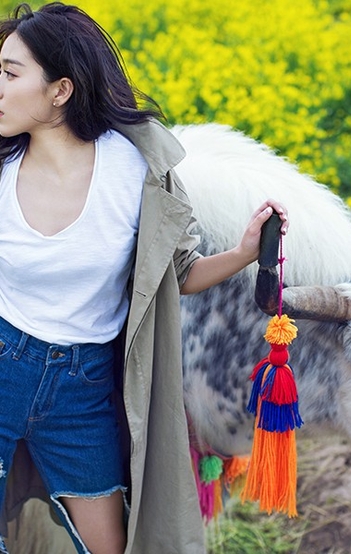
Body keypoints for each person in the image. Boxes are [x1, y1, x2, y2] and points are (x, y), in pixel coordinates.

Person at [0, 3, 289, 553]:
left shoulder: (135, 170)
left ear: (60, 90)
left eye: (10, 74)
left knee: (116, 546)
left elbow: (173, 274)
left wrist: (245, 252)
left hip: (81, 391)